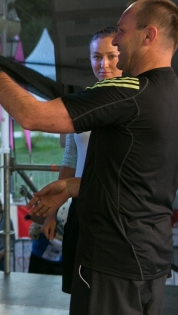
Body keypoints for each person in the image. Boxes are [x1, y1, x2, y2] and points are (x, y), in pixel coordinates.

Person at [0, 0, 178, 315]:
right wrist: (71, 187)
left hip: (112, 257)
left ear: (149, 35)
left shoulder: (128, 92)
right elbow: (134, 181)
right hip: (148, 255)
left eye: (122, 31)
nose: (117, 41)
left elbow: (32, 115)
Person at [42, 26, 122, 293]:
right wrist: (52, 213)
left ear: (124, 55)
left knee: (110, 294)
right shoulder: (83, 102)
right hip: (82, 206)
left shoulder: (137, 99)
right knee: (79, 291)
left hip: (118, 210)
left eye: (111, 56)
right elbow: (70, 158)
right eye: (97, 57)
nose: (103, 64)